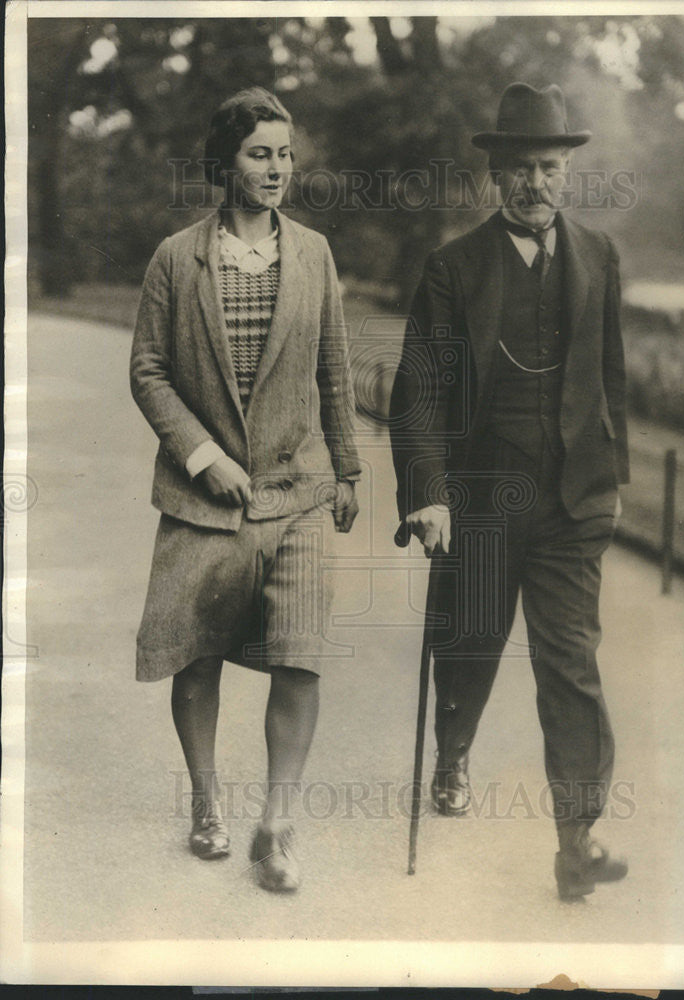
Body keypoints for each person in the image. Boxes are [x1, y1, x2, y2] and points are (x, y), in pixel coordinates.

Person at [390, 83, 629, 900]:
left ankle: (578, 836)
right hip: (482, 501)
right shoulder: (454, 268)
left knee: (570, 662)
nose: (537, 181)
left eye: (550, 165)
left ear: (568, 170)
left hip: (571, 506)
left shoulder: (598, 255)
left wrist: (613, 478)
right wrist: (428, 493)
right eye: (522, 166)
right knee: (471, 642)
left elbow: (612, 379)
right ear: (497, 175)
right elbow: (419, 390)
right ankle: (453, 752)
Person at [130, 86, 360, 893]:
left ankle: (279, 825)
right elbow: (148, 370)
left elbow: (333, 367)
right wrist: (201, 455)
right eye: (260, 154)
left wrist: (349, 468)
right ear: (225, 163)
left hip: (296, 492)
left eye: (285, 154)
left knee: (300, 659)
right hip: (204, 501)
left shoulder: (316, 254)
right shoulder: (175, 257)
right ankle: (205, 802)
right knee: (197, 658)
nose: (277, 169)